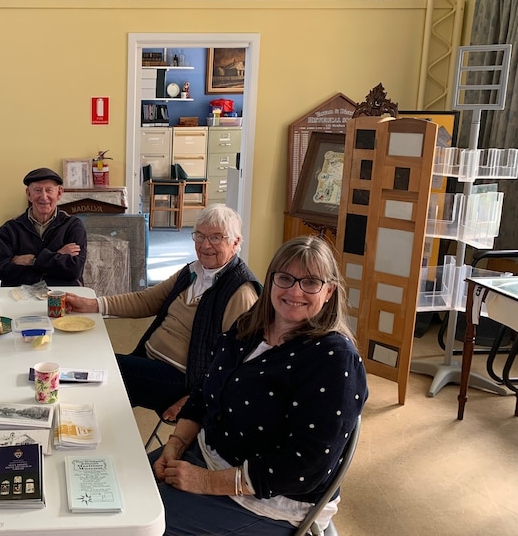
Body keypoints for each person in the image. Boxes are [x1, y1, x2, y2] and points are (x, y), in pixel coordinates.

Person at [151, 236, 368, 536]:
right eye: (285, 278)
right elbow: (204, 390)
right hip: (208, 455)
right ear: (271, 280)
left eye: (311, 283)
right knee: (116, 489)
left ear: (329, 291)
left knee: (133, 523)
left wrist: (205, 482)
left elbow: (304, 465)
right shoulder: (250, 325)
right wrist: (175, 444)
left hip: (267, 500)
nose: (295, 291)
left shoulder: (334, 359)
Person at [65, 204, 260, 421]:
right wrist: (93, 304)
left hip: (181, 380)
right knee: (101, 387)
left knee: (104, 367)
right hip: (149, 360)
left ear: (235, 242)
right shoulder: (193, 272)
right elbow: (146, 300)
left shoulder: (240, 292)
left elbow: (238, 363)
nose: (205, 245)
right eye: (200, 236)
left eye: (216, 238)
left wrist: (195, 399)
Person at [0, 167, 87, 287]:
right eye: (38, 190)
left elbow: (74, 270)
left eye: (49, 190)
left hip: (63, 297)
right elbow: (3, 273)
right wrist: (57, 255)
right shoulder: (9, 229)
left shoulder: (73, 226)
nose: (44, 197)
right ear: (29, 194)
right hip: (20, 298)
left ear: (59, 193)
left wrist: (32, 261)